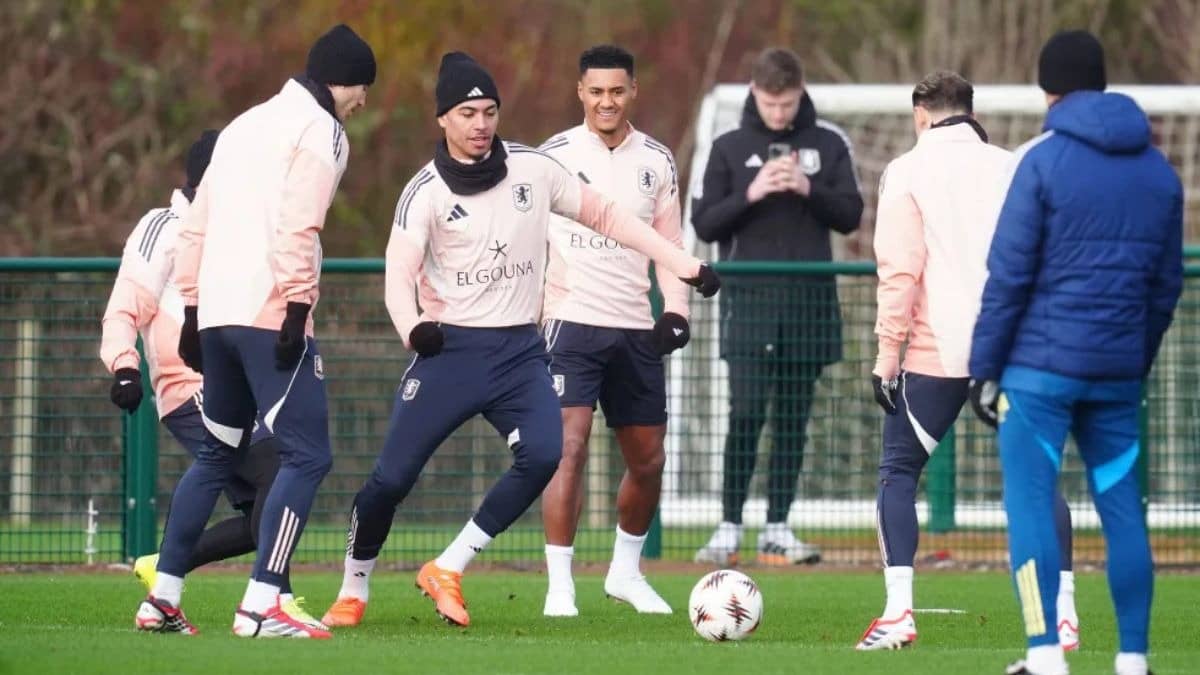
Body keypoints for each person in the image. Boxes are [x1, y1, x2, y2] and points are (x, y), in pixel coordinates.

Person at [320, 51, 718, 630]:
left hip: (518, 354)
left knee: (546, 454)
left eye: (488, 112)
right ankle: (354, 586)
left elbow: (610, 217)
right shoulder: (423, 192)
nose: (480, 124)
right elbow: (397, 279)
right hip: (448, 353)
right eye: (466, 113)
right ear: (443, 121)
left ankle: (449, 566)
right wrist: (413, 329)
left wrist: (683, 265)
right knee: (391, 480)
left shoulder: (534, 169)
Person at [135, 23, 376, 639]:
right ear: (339, 80)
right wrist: (298, 308)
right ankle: (263, 602)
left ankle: (162, 598)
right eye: (362, 88)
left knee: (217, 454)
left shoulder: (242, 125)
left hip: (215, 317)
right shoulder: (322, 131)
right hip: (269, 317)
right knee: (308, 455)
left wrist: (191, 310)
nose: (363, 102)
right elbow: (302, 225)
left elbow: (195, 224)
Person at [968, 31, 1182, 675]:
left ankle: (1045, 656)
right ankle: (1133, 659)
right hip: (1116, 372)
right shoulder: (1159, 171)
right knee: (1121, 509)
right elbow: (1165, 287)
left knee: (1031, 504)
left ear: (1047, 89)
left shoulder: (1043, 161)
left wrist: (985, 369)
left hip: (1038, 372)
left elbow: (1007, 274)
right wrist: (1132, 359)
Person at [855, 71, 1079, 652]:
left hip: (940, 352)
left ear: (921, 115)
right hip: (1014, 350)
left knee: (898, 470)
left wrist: (886, 357)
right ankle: (1063, 615)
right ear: (970, 112)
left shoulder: (906, 170)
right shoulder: (1012, 166)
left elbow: (899, 273)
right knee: (1037, 477)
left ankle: (899, 614)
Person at [100, 130, 323, 630]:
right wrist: (124, 365)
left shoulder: (253, 229)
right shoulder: (166, 227)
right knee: (281, 469)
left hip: (246, 382)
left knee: (259, 515)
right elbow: (125, 306)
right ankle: (271, 604)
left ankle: (166, 577)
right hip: (191, 383)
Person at [692, 47, 862, 566]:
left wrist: (808, 188)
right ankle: (727, 525)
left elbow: (851, 215)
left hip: (809, 308)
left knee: (793, 419)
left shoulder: (829, 144)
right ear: (754, 94)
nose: (780, 114)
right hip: (747, 307)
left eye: (788, 103)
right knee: (745, 414)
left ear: (800, 92)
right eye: (771, 103)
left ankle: (779, 526)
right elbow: (704, 225)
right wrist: (754, 191)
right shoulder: (727, 147)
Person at [536, 45, 690, 618]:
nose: (607, 101)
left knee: (649, 460)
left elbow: (670, 247)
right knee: (567, 446)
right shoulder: (550, 157)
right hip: (570, 323)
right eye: (596, 91)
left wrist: (676, 311)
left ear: (633, 91)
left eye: (617, 91)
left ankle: (625, 573)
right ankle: (560, 584)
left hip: (634, 329)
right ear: (580, 92)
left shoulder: (657, 160)